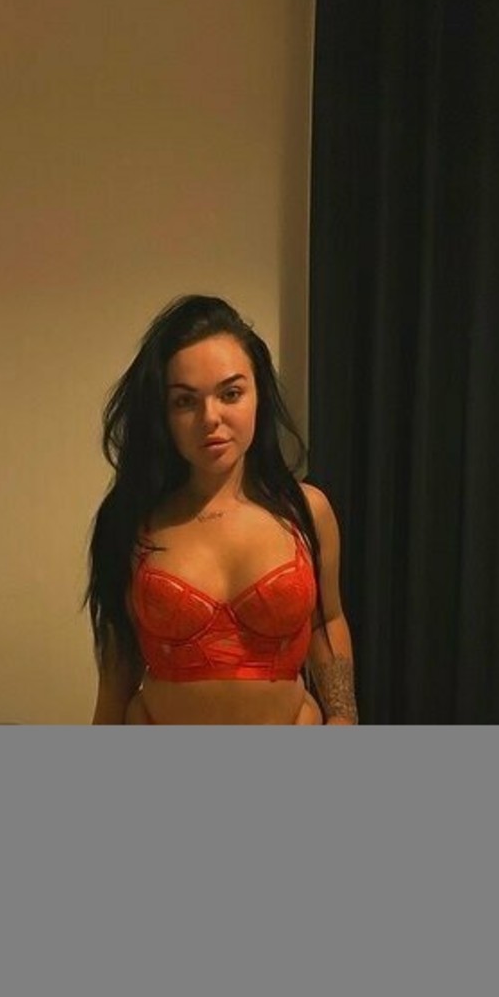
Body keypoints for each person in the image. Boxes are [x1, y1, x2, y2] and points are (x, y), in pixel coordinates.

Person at [86, 295, 358, 725]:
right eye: (185, 401)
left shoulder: (307, 510)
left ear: (259, 395)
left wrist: (344, 717)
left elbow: (328, 620)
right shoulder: (131, 520)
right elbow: (117, 671)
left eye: (231, 393)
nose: (210, 418)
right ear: (163, 414)